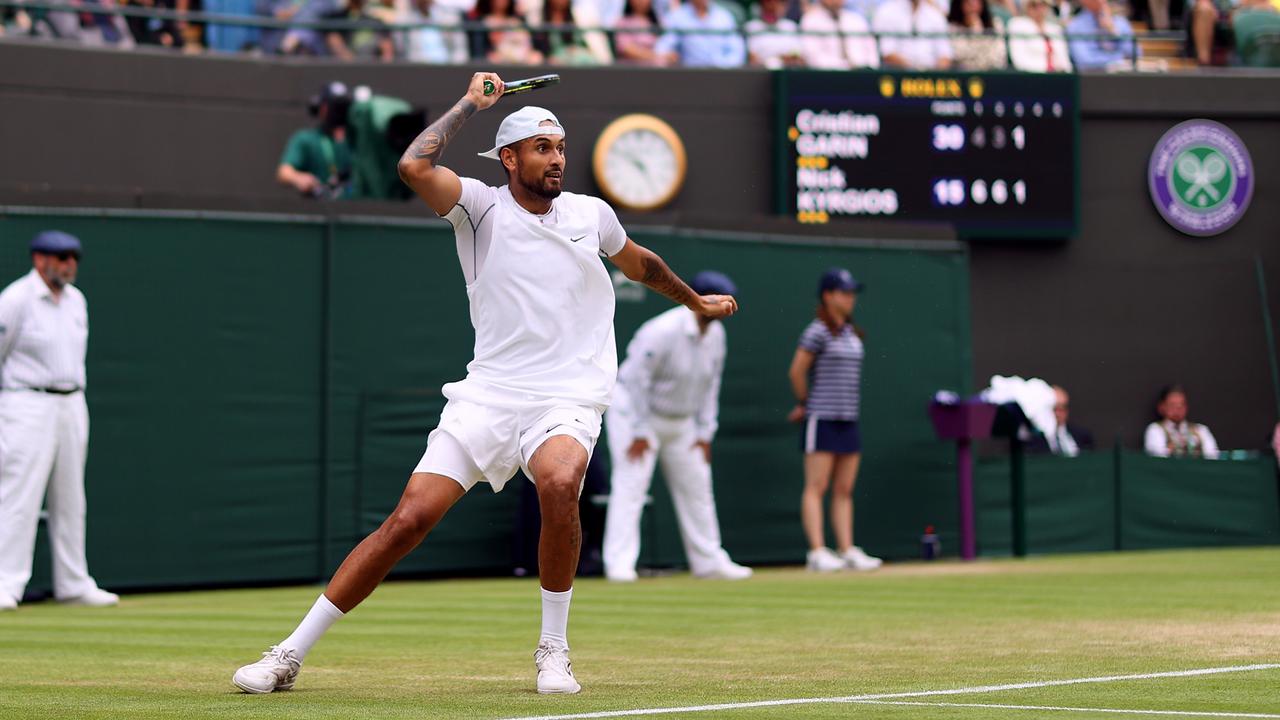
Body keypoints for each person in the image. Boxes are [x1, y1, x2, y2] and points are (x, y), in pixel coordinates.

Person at [231, 72, 738, 696]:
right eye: (543, 148)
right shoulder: (478, 207)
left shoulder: (592, 214)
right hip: (488, 397)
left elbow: (643, 263)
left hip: (567, 396)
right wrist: (472, 103)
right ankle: (287, 654)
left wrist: (694, 303)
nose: (557, 158)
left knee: (559, 481)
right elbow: (414, 166)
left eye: (560, 147)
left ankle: (554, 650)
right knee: (408, 521)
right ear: (509, 158)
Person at [602, 271, 752, 583]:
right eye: (720, 300)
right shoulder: (660, 331)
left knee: (698, 489)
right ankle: (619, 565)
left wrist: (705, 432)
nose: (726, 307)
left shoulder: (717, 336)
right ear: (700, 297)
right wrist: (641, 430)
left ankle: (709, 561)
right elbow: (636, 382)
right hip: (635, 415)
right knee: (631, 488)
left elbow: (711, 386)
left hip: (682, 423)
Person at [0, 231, 119, 612]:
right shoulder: (15, 299)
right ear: (40, 259)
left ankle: (73, 583)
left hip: (71, 404)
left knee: (71, 498)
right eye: (62, 256)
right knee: (19, 495)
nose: (69, 264)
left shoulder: (77, 302)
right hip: (25, 402)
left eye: (73, 257)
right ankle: (6, 582)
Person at [786, 268, 882, 573]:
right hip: (822, 418)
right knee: (817, 485)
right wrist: (805, 403)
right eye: (844, 292)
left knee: (844, 489)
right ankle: (817, 552)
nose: (850, 298)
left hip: (848, 418)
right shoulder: (816, 331)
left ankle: (847, 549)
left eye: (852, 293)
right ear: (828, 296)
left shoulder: (852, 333)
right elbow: (797, 371)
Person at [277, 82, 354, 199]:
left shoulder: (358, 140)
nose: (339, 112)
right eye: (334, 107)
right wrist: (298, 178)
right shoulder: (306, 139)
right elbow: (283, 172)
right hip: (319, 207)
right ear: (321, 108)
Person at [655, 0, 748, 67]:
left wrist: (722, 69)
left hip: (724, 77)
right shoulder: (676, 17)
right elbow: (663, 48)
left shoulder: (724, 16)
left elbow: (737, 50)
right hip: (689, 79)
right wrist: (668, 57)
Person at [872, 0, 954, 69]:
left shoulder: (935, 15)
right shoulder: (886, 12)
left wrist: (933, 74)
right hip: (898, 76)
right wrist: (915, 70)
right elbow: (887, 53)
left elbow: (945, 55)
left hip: (931, 78)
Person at [1144, 385, 1219, 459]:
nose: (1178, 409)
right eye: (1172, 405)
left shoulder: (1201, 430)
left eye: (1181, 405)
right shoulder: (1155, 430)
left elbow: (1213, 456)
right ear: (1162, 407)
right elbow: (1157, 458)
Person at [799, 0, 879, 69]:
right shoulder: (810, 20)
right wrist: (846, 66)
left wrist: (867, 67)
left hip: (862, 75)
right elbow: (813, 58)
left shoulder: (856, 19)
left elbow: (871, 51)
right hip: (828, 78)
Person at [1066, 0, 1137, 71]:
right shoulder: (1076, 25)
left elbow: (1135, 53)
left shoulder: (1120, 22)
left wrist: (1114, 31)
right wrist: (1117, 62)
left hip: (1124, 77)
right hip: (1092, 78)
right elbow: (1084, 62)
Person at [1027, 386, 1093, 456]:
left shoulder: (1083, 436)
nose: (1058, 414)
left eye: (1062, 408)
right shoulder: (1031, 439)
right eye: (1054, 408)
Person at [1008, 0, 1072, 72]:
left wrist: (1064, 72)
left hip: (1058, 77)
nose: (1039, 9)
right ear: (1026, 6)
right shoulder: (1017, 25)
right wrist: (1046, 70)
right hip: (1032, 77)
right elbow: (1019, 61)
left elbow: (1064, 60)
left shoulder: (1055, 29)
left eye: (1043, 4)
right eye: (1034, 5)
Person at [400, 0, 470, 64]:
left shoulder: (450, 17)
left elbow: (460, 50)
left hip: (448, 70)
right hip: (418, 70)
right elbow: (402, 52)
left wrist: (455, 69)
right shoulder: (405, 20)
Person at [323, 0, 397, 60]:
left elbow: (387, 50)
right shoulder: (336, 18)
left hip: (371, 66)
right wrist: (350, 61)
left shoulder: (375, 20)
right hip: (346, 67)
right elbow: (334, 40)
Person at [946, 0, 1008, 70]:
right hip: (963, 75)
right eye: (968, 2)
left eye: (977, 1)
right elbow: (958, 56)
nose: (973, 5)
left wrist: (978, 31)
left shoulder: (996, 24)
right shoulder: (952, 27)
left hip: (992, 73)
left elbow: (998, 57)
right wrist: (975, 32)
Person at [746, 0, 803, 68]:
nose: (771, 6)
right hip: (759, 73)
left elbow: (797, 56)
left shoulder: (791, 26)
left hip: (787, 73)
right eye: (768, 2)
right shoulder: (751, 27)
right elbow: (752, 58)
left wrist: (781, 59)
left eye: (777, 3)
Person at [613, 0, 666, 65]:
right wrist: (655, 56)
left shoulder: (658, 23)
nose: (641, 1)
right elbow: (626, 49)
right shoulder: (622, 22)